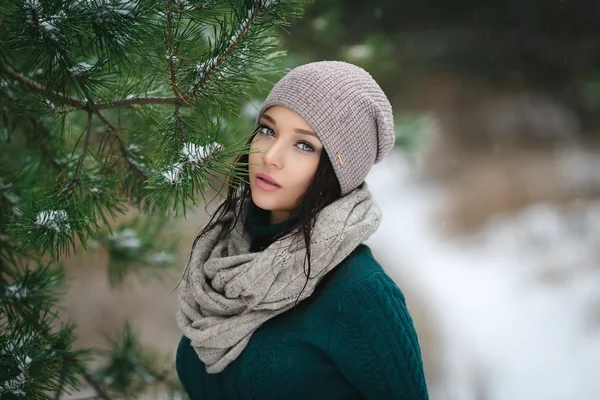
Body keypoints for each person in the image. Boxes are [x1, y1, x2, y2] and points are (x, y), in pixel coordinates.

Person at [175, 61, 429, 399]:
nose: (271, 156)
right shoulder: (221, 259)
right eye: (268, 130)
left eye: (304, 145)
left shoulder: (360, 293)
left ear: (337, 171)